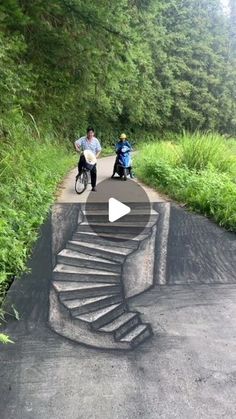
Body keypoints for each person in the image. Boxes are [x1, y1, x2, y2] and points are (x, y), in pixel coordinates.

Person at [74, 127, 101, 192]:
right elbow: (76, 143)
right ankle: (79, 173)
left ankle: (93, 186)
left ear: (93, 133)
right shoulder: (83, 139)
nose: (90, 134)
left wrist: (96, 156)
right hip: (84, 155)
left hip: (92, 158)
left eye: (91, 133)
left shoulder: (96, 140)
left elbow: (99, 150)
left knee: (94, 171)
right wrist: (77, 148)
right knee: (80, 162)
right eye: (89, 133)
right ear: (87, 133)